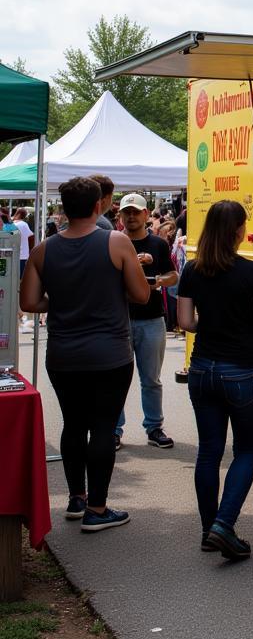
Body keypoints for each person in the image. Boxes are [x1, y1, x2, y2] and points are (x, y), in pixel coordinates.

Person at [19, 177, 151, 531]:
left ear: (62, 208)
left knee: (73, 425)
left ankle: (76, 498)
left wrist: (60, 301)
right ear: (98, 206)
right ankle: (97, 508)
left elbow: (29, 302)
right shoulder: (117, 241)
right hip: (110, 353)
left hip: (63, 354)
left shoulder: (43, 250)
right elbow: (141, 295)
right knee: (104, 428)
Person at [177, 200, 253, 560]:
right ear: (237, 231)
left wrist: (212, 324)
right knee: (247, 449)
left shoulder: (192, 269)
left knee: (209, 451)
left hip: (202, 369)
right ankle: (224, 524)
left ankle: (208, 530)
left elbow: (186, 322)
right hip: (244, 369)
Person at [115, 193, 178, 450]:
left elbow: (173, 275)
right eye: (126, 212)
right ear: (120, 216)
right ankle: (114, 430)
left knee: (151, 378)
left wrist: (158, 282)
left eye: (136, 212)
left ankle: (154, 427)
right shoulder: (112, 242)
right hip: (118, 320)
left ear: (145, 214)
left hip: (151, 318)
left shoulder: (158, 245)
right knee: (117, 380)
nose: (131, 216)